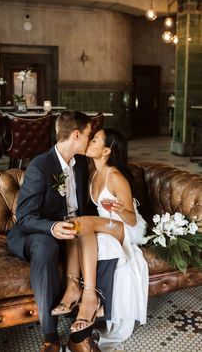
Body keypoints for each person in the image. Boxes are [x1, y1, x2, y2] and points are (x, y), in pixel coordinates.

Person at [7, 111, 118, 352]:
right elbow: (24, 217)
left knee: (103, 244)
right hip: (34, 234)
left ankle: (82, 334)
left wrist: (107, 216)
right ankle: (50, 338)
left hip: (72, 232)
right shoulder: (40, 166)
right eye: (88, 134)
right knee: (46, 246)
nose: (90, 139)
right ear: (76, 135)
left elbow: (82, 207)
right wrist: (53, 227)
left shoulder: (79, 166)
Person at [52, 128, 149, 350]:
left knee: (81, 223)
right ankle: (73, 287)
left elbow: (132, 220)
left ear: (106, 151)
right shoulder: (93, 172)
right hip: (108, 223)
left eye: (94, 140)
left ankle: (87, 296)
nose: (89, 141)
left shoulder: (115, 176)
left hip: (126, 226)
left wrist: (120, 209)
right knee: (74, 226)